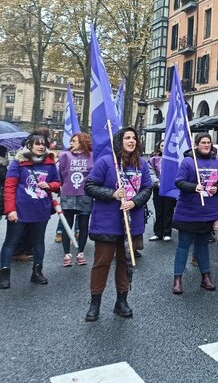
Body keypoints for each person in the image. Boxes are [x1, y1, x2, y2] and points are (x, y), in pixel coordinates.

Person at [83, 127, 152, 321]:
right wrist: (112, 194)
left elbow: (147, 188)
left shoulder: (142, 164)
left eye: (134, 138)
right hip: (107, 222)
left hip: (131, 222)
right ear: (119, 141)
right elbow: (89, 186)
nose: (131, 141)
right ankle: (95, 303)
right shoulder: (106, 162)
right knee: (102, 263)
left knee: (125, 262)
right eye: (127, 138)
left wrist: (135, 201)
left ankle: (121, 301)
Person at [171, 133, 218, 294]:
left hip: (208, 211)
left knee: (203, 244)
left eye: (209, 142)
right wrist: (193, 187)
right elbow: (179, 181)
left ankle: (206, 277)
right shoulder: (188, 161)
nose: (206, 145)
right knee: (183, 244)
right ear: (196, 144)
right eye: (203, 142)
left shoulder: (217, 161)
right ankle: (177, 279)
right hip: (188, 211)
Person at [0, 132, 61, 289]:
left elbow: (57, 182)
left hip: (41, 210)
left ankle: (37, 272)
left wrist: (50, 186)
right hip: (19, 211)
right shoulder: (18, 163)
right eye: (37, 144)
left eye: (44, 144)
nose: (41, 147)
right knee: (11, 242)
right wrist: (10, 210)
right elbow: (9, 188)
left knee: (38, 242)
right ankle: (4, 274)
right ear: (29, 146)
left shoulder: (50, 163)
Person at [58, 133, 94, 267]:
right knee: (67, 226)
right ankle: (67, 254)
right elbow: (60, 173)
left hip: (85, 195)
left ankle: (81, 252)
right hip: (68, 194)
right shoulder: (64, 156)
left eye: (74, 141)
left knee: (83, 225)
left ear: (83, 142)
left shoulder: (92, 156)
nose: (71, 143)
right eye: (71, 141)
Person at [148, 140, 175, 242]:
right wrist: (157, 183)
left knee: (168, 211)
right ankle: (157, 233)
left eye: (166, 146)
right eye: (162, 145)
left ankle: (167, 232)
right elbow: (150, 173)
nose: (164, 147)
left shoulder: (174, 160)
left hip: (170, 189)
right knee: (158, 211)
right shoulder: (153, 160)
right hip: (158, 188)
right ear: (159, 148)